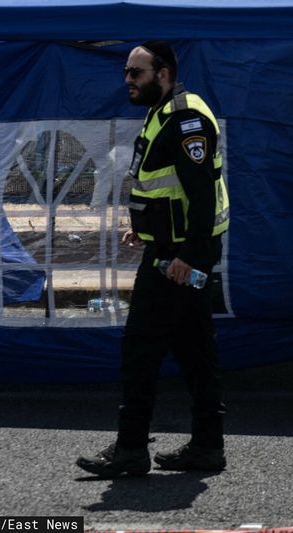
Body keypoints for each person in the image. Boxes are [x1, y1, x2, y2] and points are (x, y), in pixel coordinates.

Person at [77, 41, 230, 477]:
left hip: (178, 260)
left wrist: (188, 256)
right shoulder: (164, 111)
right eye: (127, 71)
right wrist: (145, 228)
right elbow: (167, 188)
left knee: (141, 348)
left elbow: (200, 194)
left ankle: (130, 450)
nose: (127, 80)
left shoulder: (185, 119)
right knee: (195, 348)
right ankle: (207, 447)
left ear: (162, 73)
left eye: (135, 73)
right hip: (173, 250)